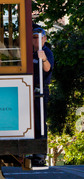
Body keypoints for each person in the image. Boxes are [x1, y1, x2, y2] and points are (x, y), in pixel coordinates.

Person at [32, 27, 54, 165]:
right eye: (34, 37)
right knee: (31, 122)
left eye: (39, 37)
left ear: (44, 39)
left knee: (40, 121)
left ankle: (40, 154)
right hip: (29, 88)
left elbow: (48, 68)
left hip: (41, 89)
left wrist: (44, 59)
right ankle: (32, 151)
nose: (37, 40)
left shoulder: (47, 52)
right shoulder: (30, 52)